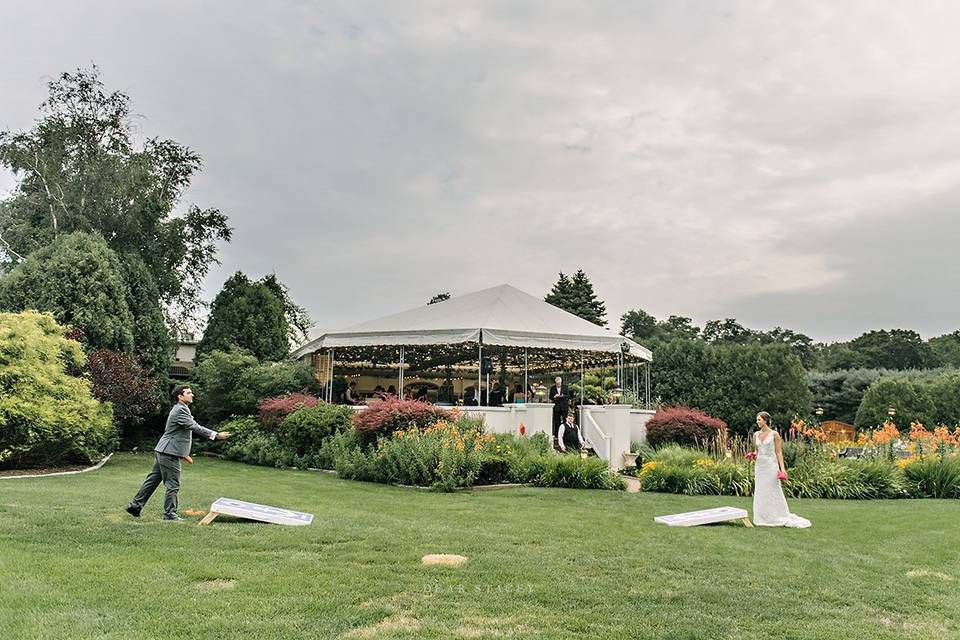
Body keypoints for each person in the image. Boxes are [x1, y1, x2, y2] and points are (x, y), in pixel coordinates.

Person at [125, 386, 230, 521]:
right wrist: (215, 435)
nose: (192, 395)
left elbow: (178, 434)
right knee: (173, 484)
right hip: (169, 453)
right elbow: (194, 427)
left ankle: (135, 506)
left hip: (164, 450)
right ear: (180, 396)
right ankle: (169, 514)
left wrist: (184, 454)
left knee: (152, 481)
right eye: (188, 393)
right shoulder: (180, 410)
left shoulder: (181, 409)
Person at [751, 411, 811, 528]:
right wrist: (752, 455)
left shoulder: (774, 435)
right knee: (761, 491)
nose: (757, 422)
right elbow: (757, 451)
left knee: (773, 491)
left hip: (771, 466)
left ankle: (777, 515)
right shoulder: (756, 435)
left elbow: (778, 452)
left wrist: (782, 469)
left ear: (765, 421)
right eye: (757, 420)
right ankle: (761, 517)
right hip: (759, 467)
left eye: (759, 420)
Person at [548, 376, 569, 446]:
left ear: (561, 382)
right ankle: (557, 434)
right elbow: (550, 397)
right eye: (557, 384)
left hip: (564, 406)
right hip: (556, 406)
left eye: (559, 384)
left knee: (565, 419)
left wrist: (563, 396)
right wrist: (554, 397)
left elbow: (568, 395)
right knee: (557, 421)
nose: (558, 385)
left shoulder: (565, 387)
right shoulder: (552, 388)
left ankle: (566, 433)